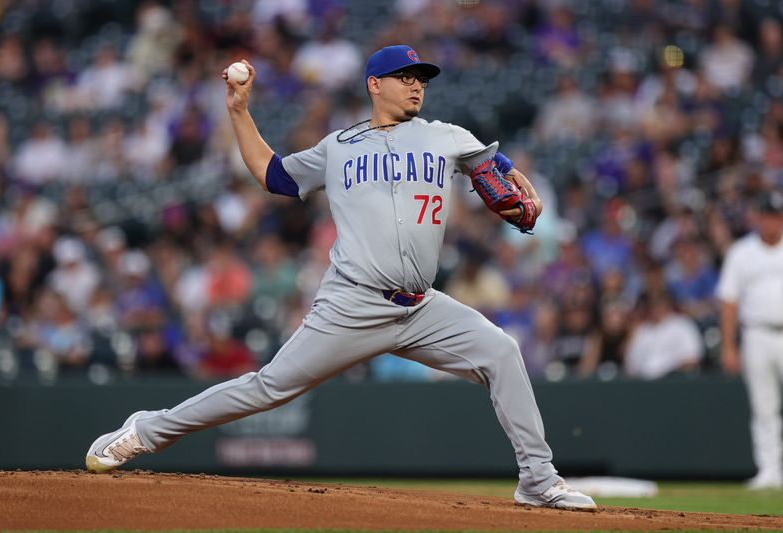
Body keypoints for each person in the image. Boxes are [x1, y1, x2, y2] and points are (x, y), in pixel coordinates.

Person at [85, 45, 596, 511]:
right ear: (375, 84)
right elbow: (274, 176)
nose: (417, 85)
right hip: (352, 304)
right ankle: (146, 430)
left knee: (501, 352)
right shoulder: (339, 146)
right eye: (404, 77)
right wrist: (240, 111)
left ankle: (537, 479)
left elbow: (492, 166)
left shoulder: (447, 137)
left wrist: (512, 180)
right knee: (268, 388)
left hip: (421, 307)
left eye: (421, 78)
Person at [717, 192, 783, 490]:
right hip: (756, 332)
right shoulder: (742, 252)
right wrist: (729, 345)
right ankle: (769, 470)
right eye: (768, 214)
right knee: (764, 406)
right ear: (759, 217)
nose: (773, 220)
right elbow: (729, 301)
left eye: (777, 215)